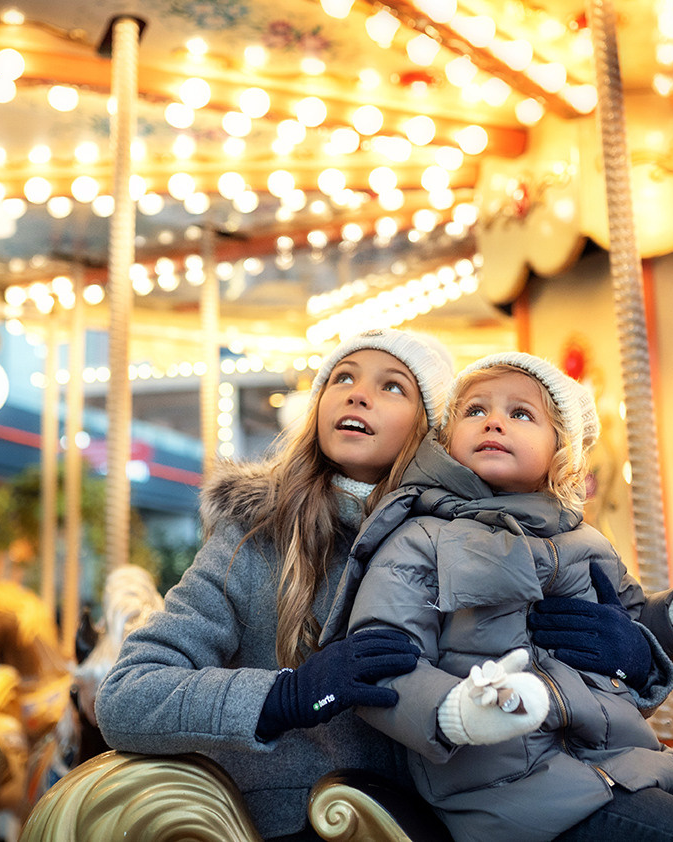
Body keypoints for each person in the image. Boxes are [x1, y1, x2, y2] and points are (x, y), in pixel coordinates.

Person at [321, 352, 673, 842]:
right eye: (475, 411)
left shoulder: (586, 543)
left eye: (521, 414)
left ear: (561, 449)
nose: (493, 421)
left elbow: (631, 628)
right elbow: (379, 660)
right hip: (510, 795)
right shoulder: (421, 537)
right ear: (447, 441)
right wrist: (456, 710)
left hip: (623, 771)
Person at [97, 328, 456, 841]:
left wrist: (609, 664)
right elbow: (128, 695)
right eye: (343, 378)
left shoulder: (463, 545)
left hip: (427, 817)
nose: (358, 393)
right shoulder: (254, 539)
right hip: (289, 821)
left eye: (393, 386)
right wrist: (285, 696)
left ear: (429, 428)